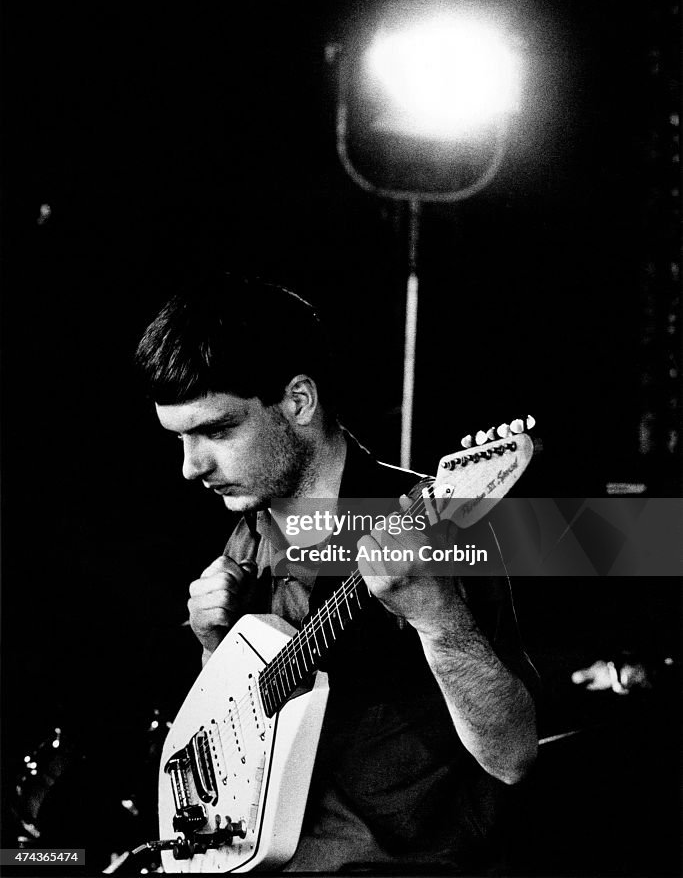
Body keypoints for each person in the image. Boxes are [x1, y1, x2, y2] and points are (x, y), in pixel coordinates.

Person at [135, 273, 538, 873]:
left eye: (216, 431)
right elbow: (241, 741)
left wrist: (440, 619)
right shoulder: (248, 539)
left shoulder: (433, 525)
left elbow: (512, 756)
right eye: (182, 438)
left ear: (298, 401)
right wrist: (215, 651)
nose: (193, 467)